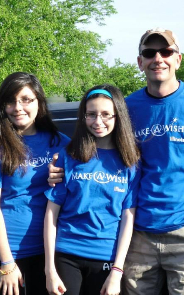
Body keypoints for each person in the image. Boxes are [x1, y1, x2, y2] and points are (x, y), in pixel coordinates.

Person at [48, 28, 184, 294]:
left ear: (178, 59)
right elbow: (95, 147)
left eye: (166, 52)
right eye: (149, 53)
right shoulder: (126, 108)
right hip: (137, 235)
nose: (158, 58)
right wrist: (60, 160)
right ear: (140, 62)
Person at [0, 72, 70, 295]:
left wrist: (62, 176)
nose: (18, 107)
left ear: (39, 103)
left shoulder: (60, 142)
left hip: (52, 251)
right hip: (10, 253)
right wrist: (7, 263)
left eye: (26, 99)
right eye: (10, 101)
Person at [44, 84, 141, 295]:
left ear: (118, 116)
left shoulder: (130, 162)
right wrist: (49, 269)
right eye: (91, 114)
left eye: (106, 114)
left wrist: (117, 270)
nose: (98, 122)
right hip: (66, 255)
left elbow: (128, 218)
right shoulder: (68, 156)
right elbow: (51, 214)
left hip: (106, 258)